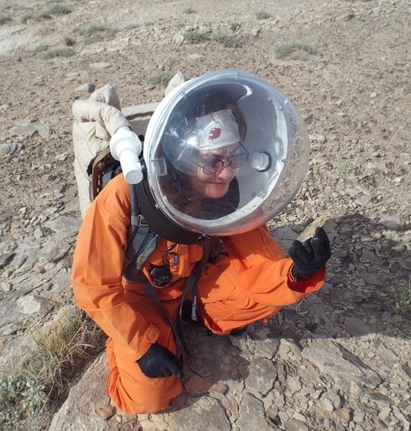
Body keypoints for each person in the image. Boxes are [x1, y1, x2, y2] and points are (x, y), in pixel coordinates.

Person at [71, 70, 331, 414]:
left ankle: (196, 316)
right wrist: (142, 346)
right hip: (139, 296)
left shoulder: (228, 197)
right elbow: (93, 286)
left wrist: (296, 274)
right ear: (181, 156)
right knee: (148, 399)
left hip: (196, 285)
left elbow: (257, 262)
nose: (226, 173)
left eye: (233, 156)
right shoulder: (124, 197)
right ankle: (123, 351)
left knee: (264, 295)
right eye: (212, 162)